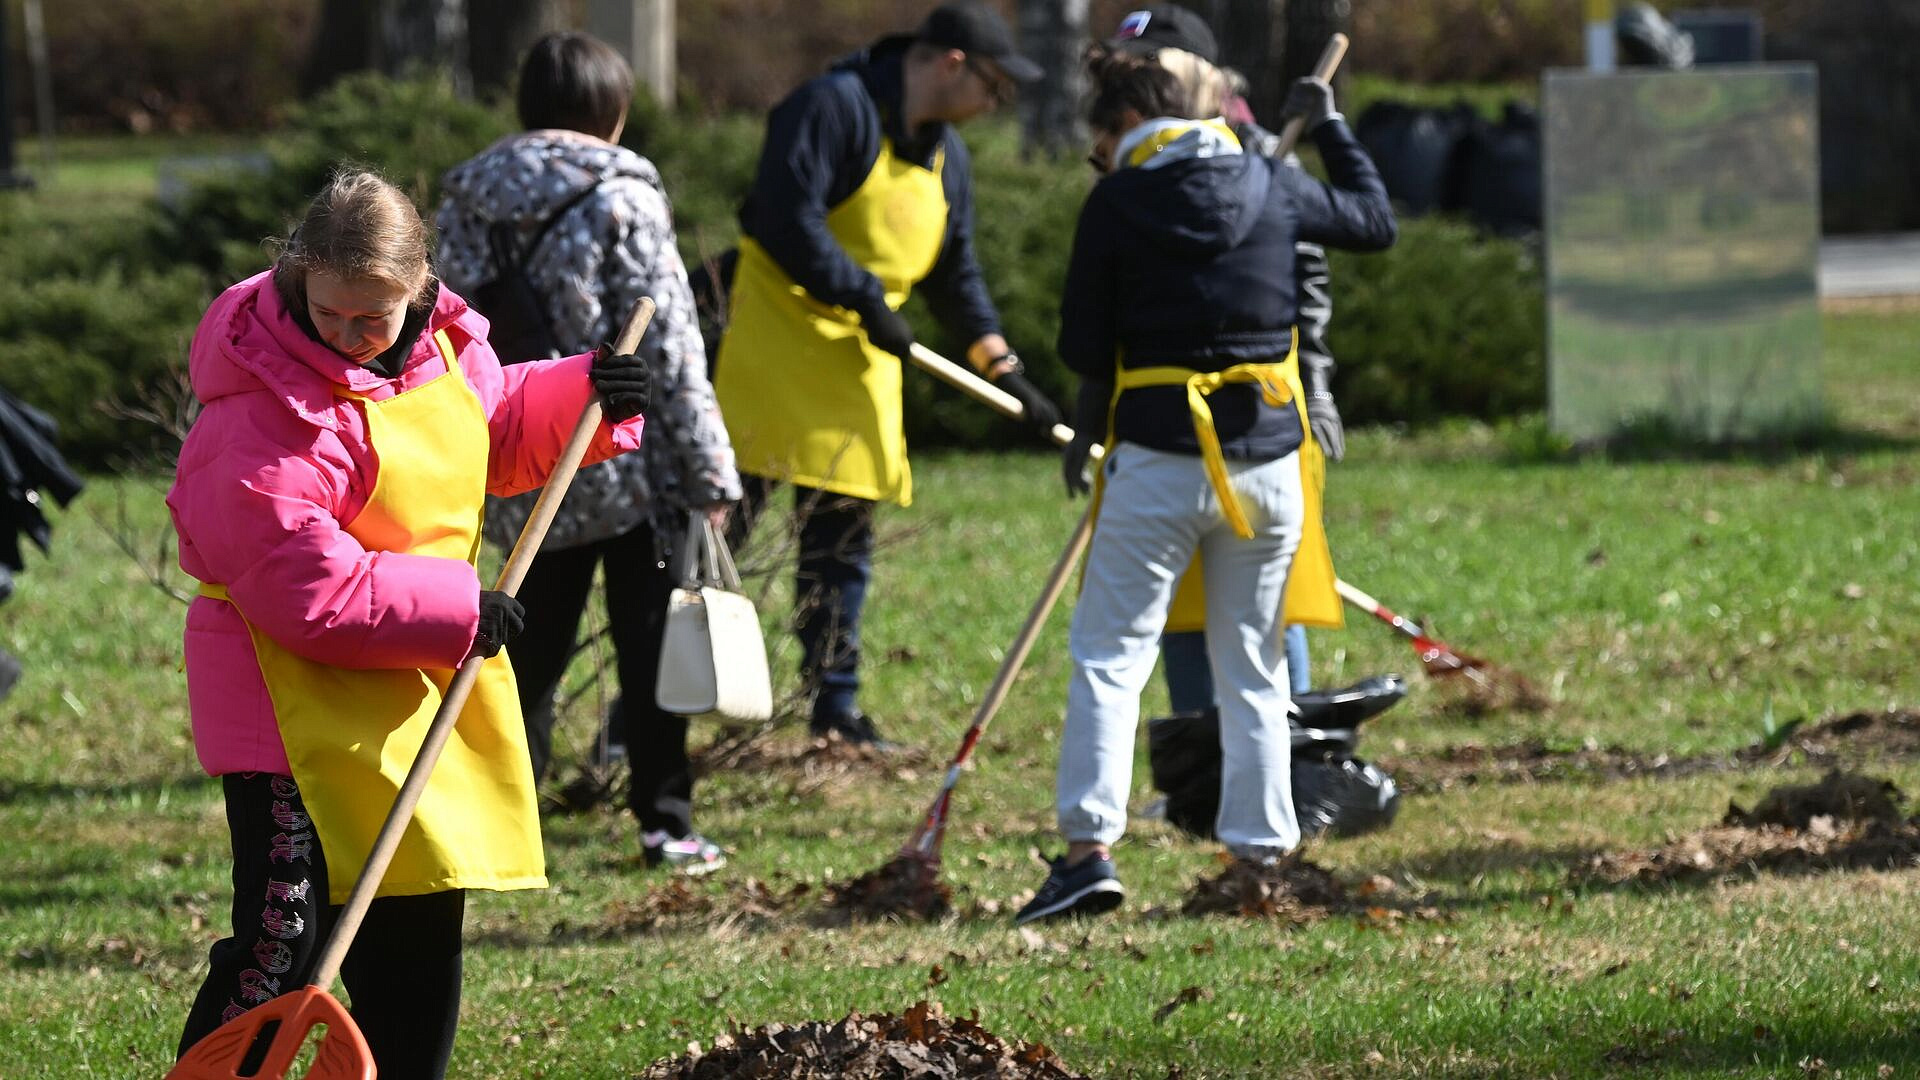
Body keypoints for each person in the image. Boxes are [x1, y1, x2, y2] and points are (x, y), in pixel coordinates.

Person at [169, 170, 650, 1077]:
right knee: (288, 942)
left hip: (407, 692)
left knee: (417, 938)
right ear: (296, 281)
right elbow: (299, 586)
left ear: (419, 291)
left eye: (372, 322)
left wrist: (586, 391)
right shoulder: (257, 410)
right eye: (329, 315)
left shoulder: (447, 349)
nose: (348, 340)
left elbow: (489, 433)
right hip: (286, 713)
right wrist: (459, 608)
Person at [1013, 50, 1395, 924]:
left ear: (1120, 131)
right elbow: (1374, 221)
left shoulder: (1116, 201)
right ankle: (1260, 857)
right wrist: (1331, 126)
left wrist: (1092, 409)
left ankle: (1087, 855)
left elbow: (1083, 341)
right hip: (1267, 468)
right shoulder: (1271, 180)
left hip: (1158, 460)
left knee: (1112, 657)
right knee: (1253, 663)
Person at [712, 0, 1059, 746]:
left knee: (841, 547)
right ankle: (646, 711)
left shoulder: (946, 156)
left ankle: (835, 710)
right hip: (769, 350)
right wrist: (864, 294)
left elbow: (954, 275)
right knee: (719, 539)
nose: (994, 106)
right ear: (952, 63)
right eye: (994, 88)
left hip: (860, 363)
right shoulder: (833, 108)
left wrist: (1006, 370)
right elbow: (782, 215)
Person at [437, 31, 740, 875]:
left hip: (510, 449)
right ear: (613, 110)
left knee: (520, 647)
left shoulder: (465, 198)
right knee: (648, 646)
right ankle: (664, 822)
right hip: (622, 452)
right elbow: (671, 339)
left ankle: (501, 819)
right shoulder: (624, 193)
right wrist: (711, 467)